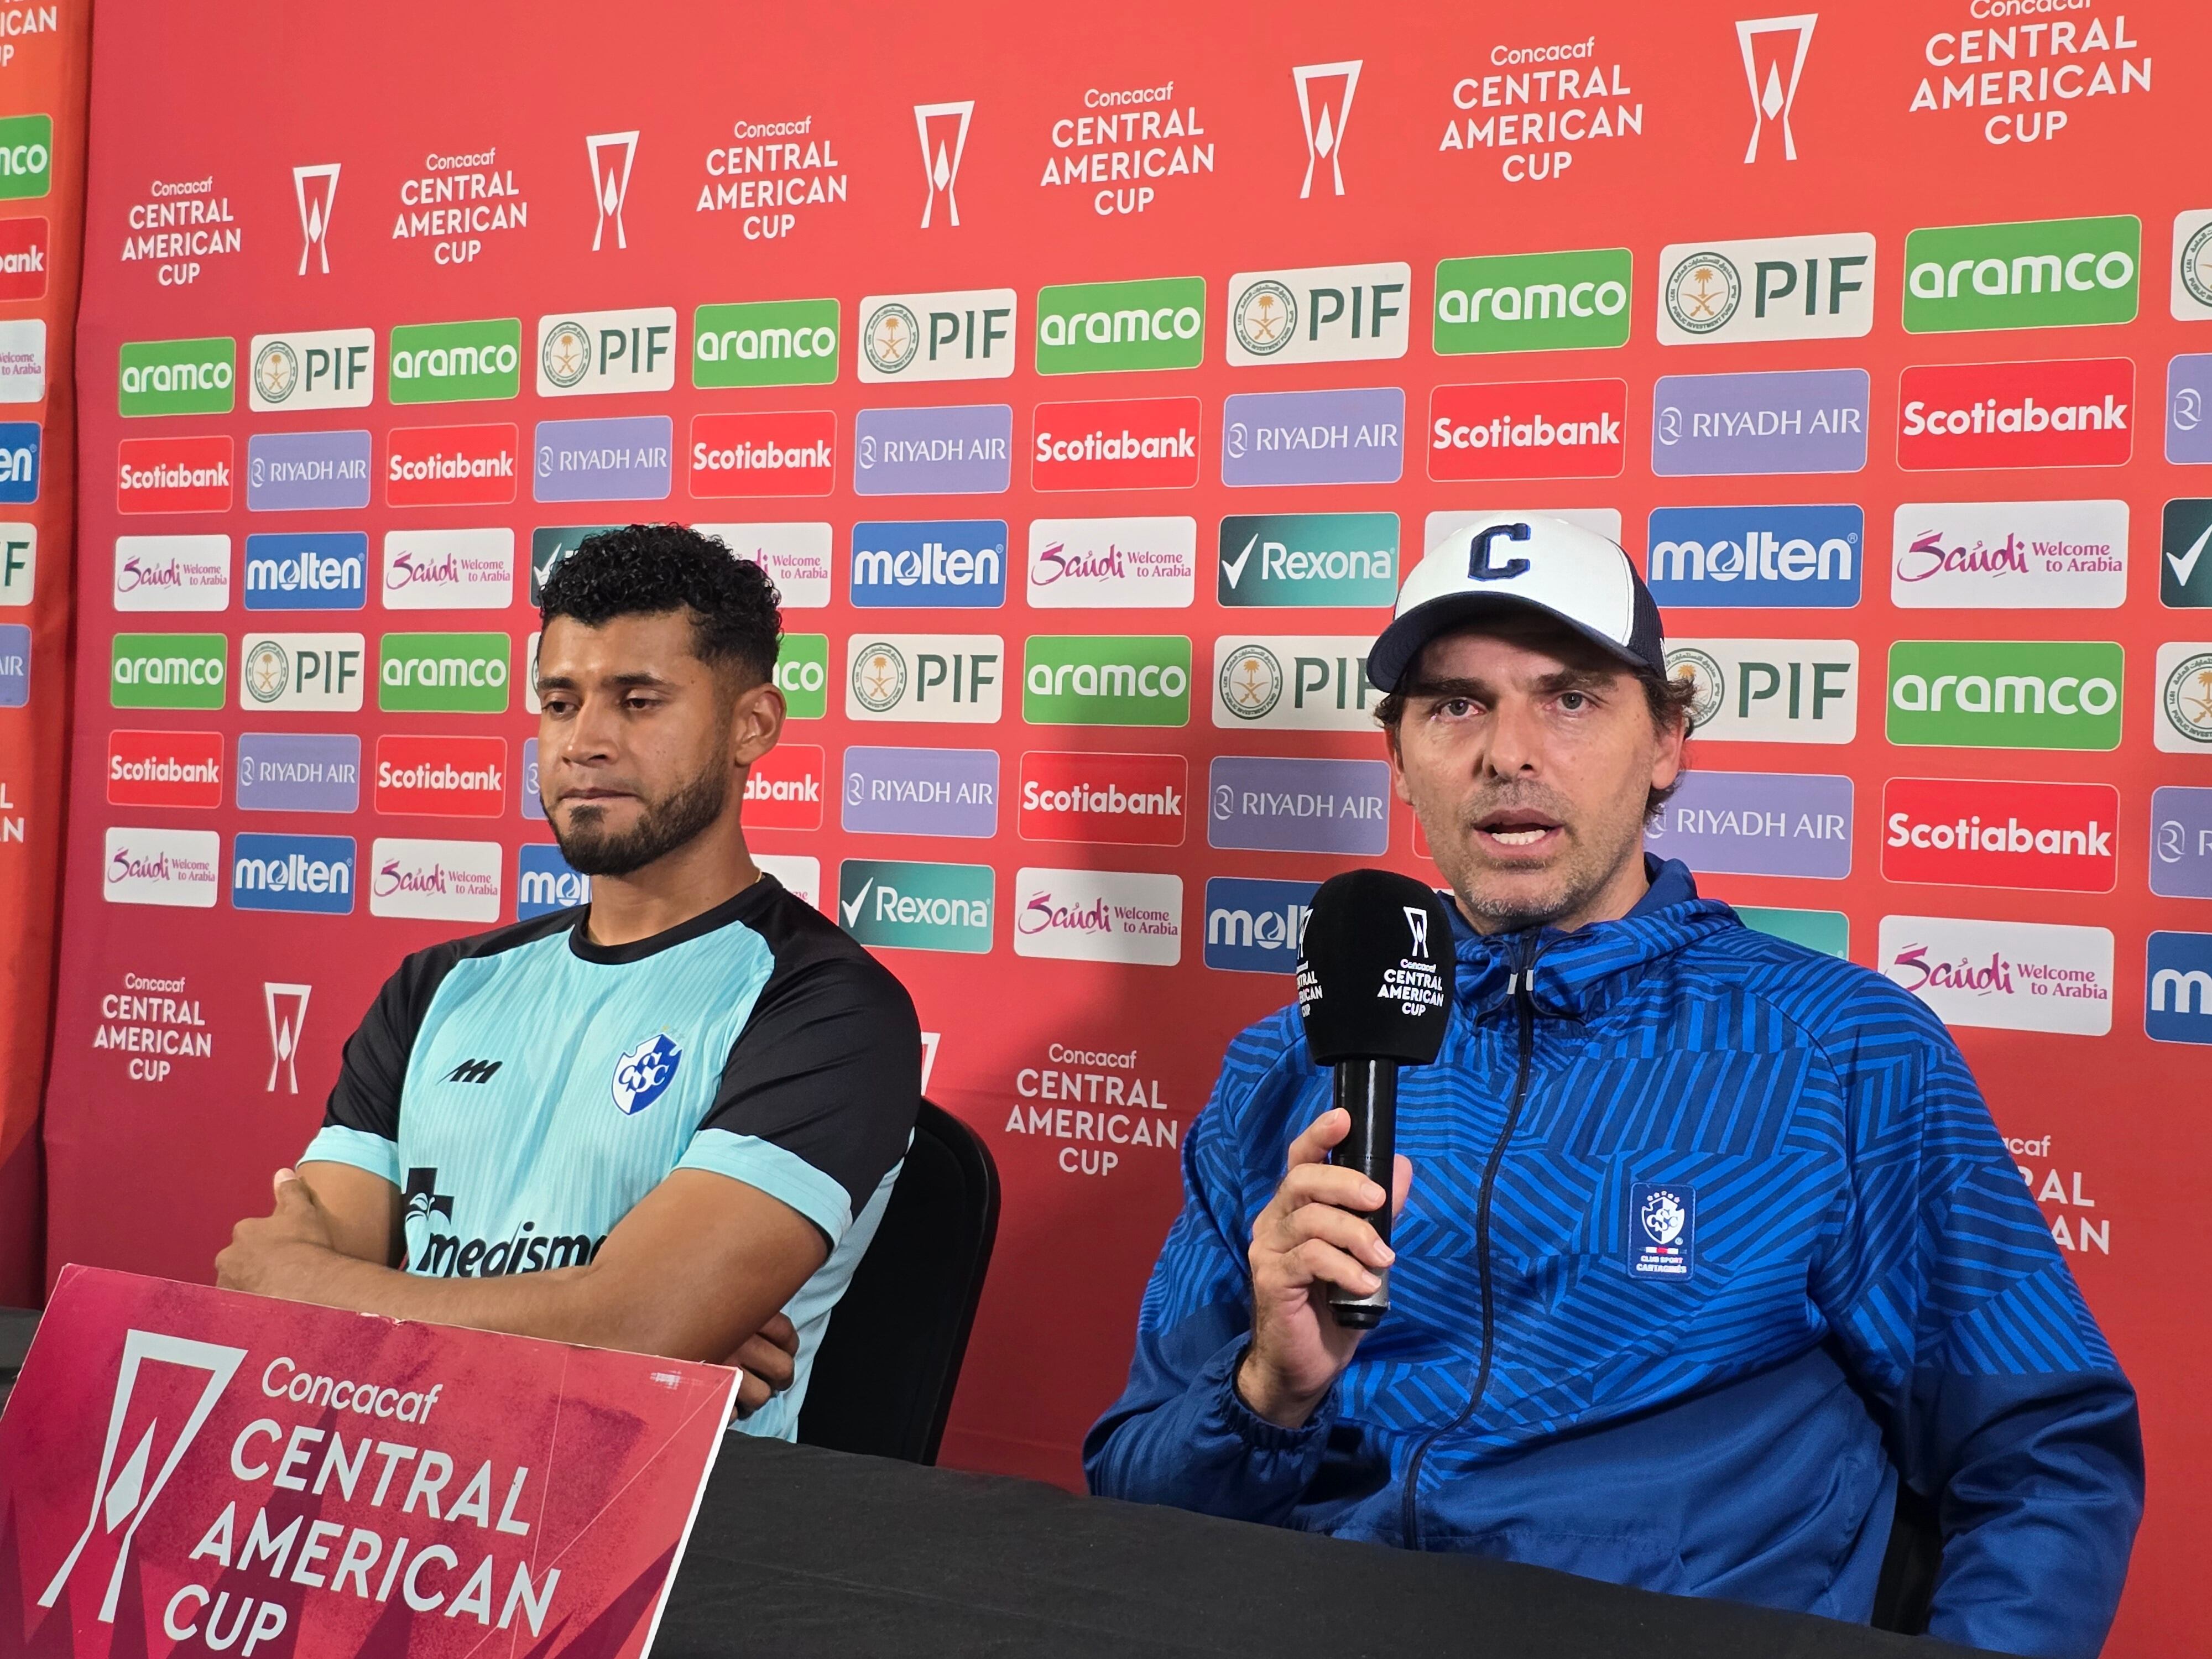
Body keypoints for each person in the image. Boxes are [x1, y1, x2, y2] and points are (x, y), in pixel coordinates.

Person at [1085, 515, 2142, 1656]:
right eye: (1455, 706)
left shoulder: (1842, 1050)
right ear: (1396, 756)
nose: (1507, 753)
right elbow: (1133, 1502)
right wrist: (1264, 1395)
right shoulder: (1286, 1063)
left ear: (1666, 741)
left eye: (1570, 699)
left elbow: (2044, 1460)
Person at [217, 523, 920, 1440]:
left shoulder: (827, 1007)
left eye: (638, 703)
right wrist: (598, 1338)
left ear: (753, 726)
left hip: (679, 1549)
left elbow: (632, 1324)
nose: (586, 742)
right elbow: (280, 1322)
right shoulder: (437, 987)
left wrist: (626, 1327)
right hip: (388, 1499)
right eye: (560, 702)